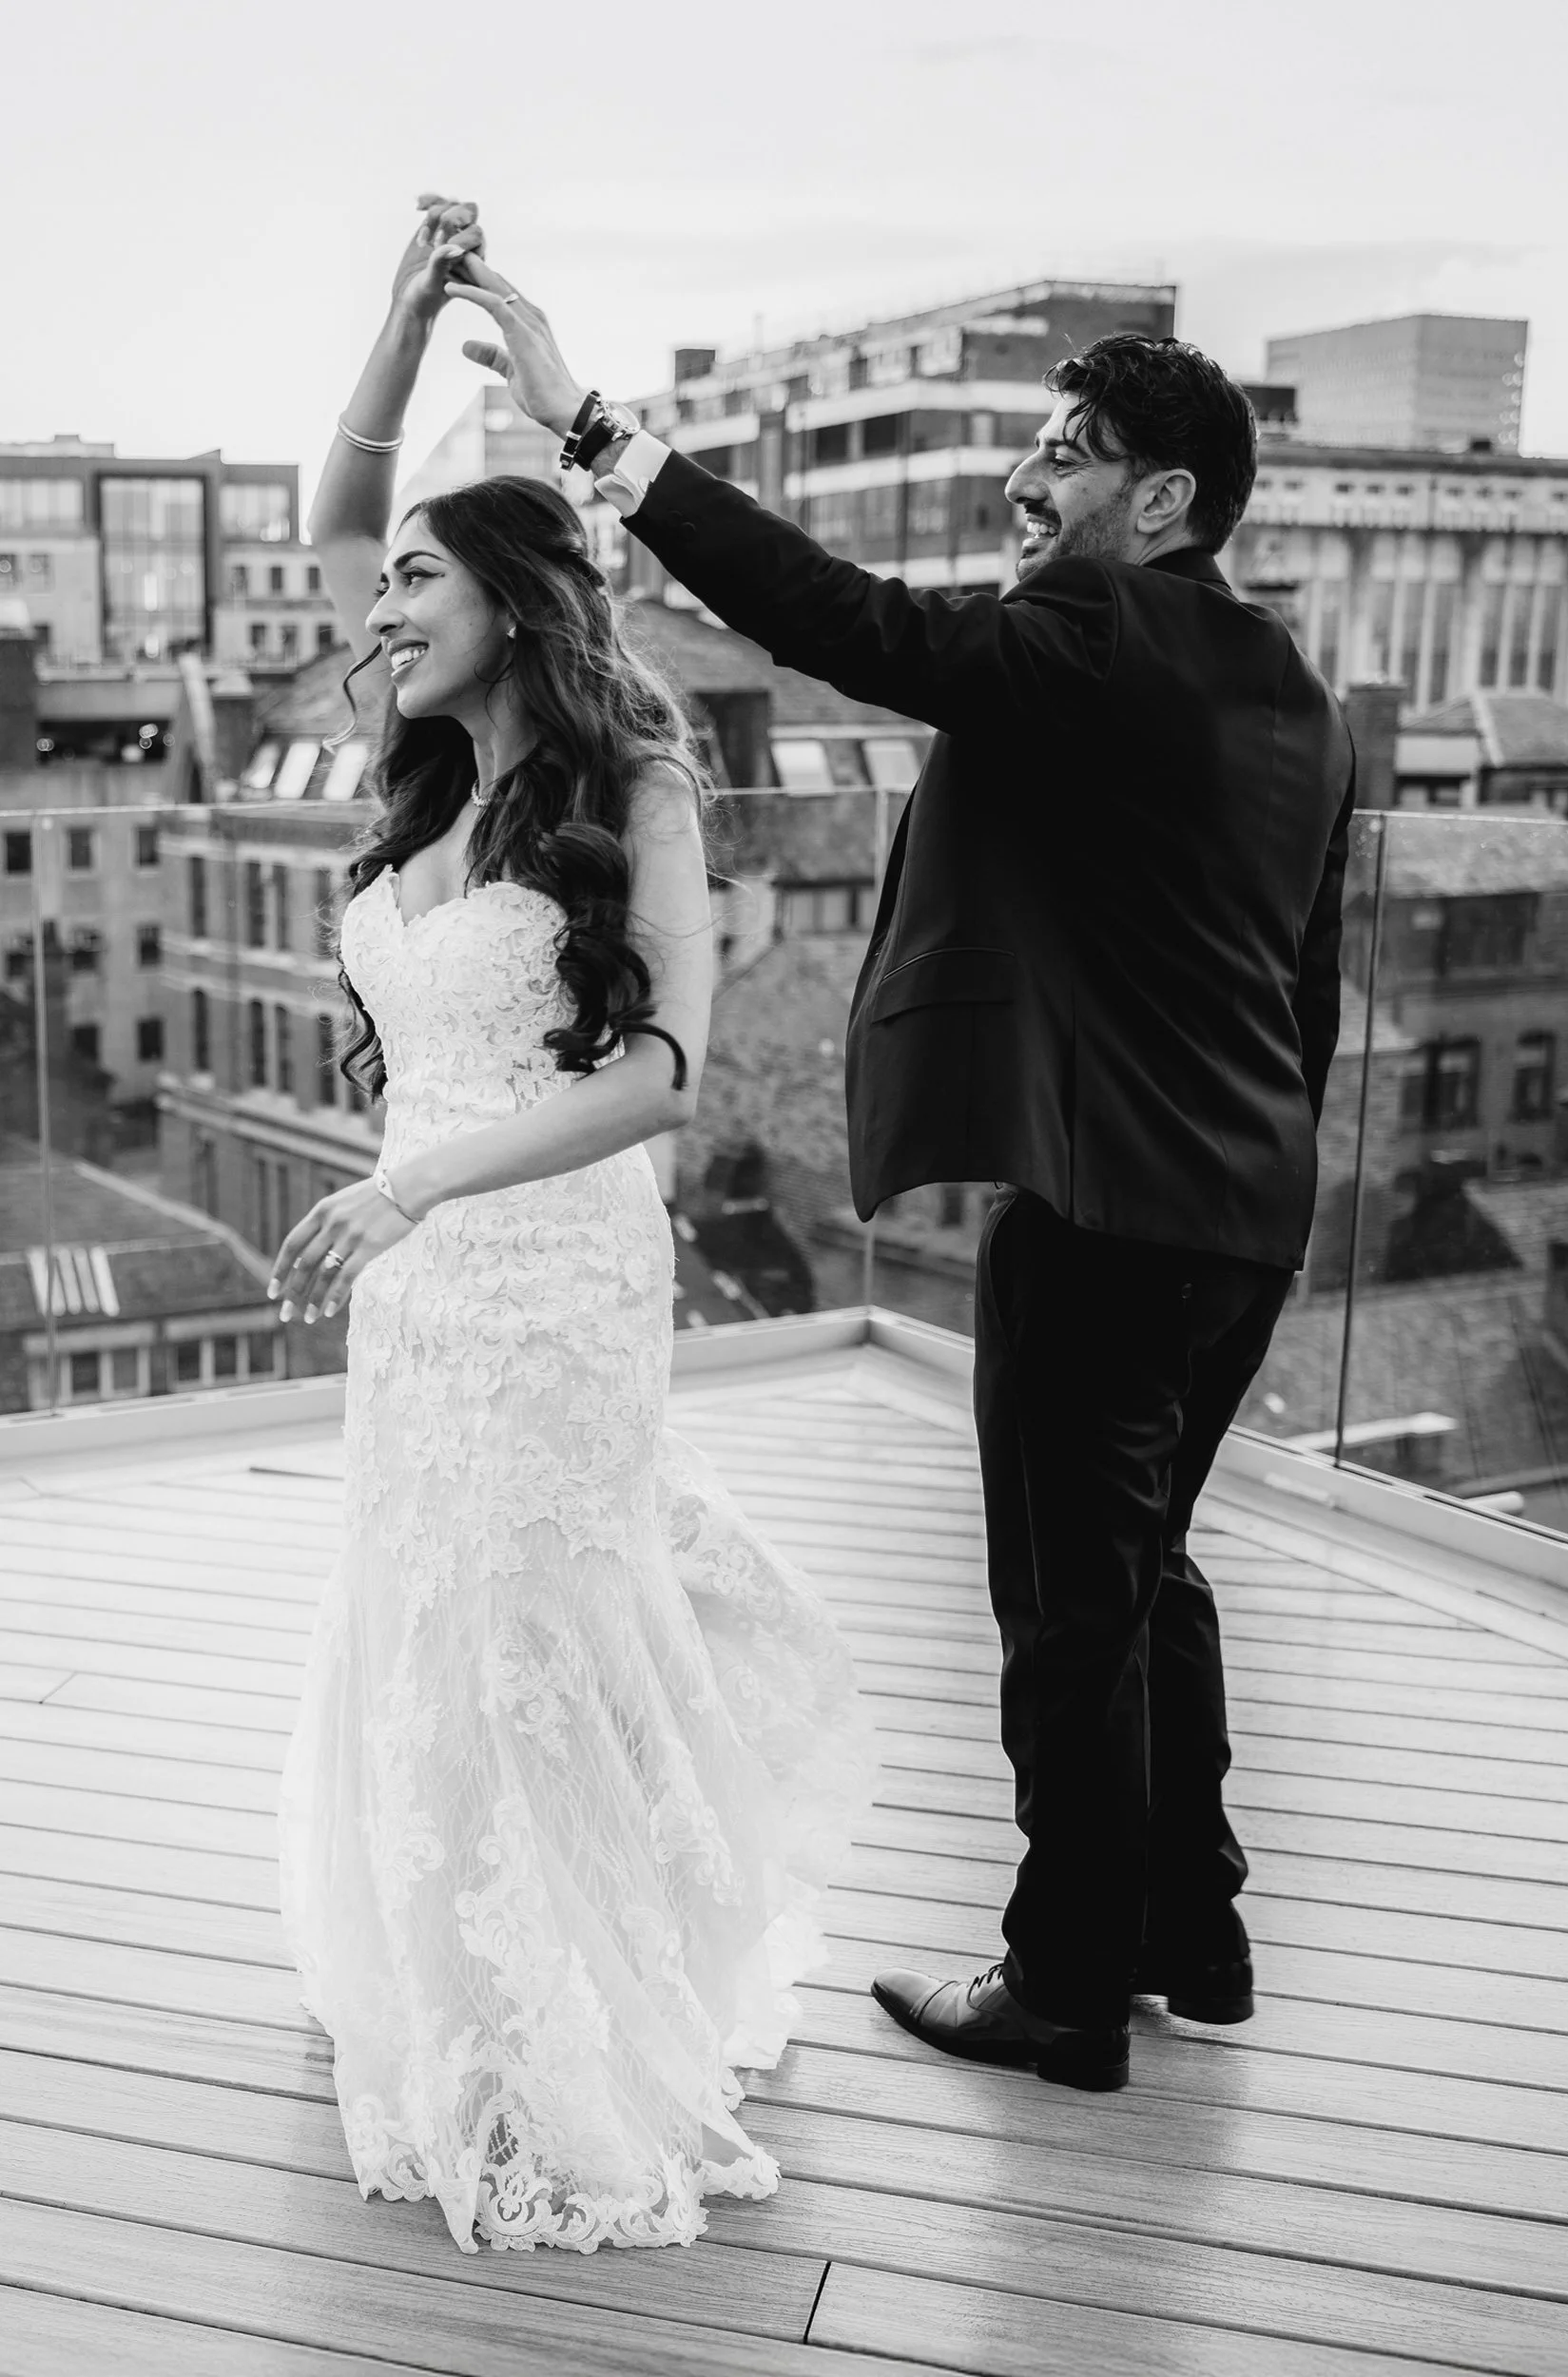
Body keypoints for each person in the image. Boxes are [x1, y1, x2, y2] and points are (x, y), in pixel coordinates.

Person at [444, 238, 1356, 2095]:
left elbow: (845, 625)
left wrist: (594, 433)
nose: (1031, 477)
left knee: (1067, 1610)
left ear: (1162, 498)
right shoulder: (1298, 696)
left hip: (1102, 1220)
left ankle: (1064, 1984)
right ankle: (1196, 1923)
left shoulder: (1093, 635)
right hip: (1247, 1216)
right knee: (1152, 1568)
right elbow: (1308, 992)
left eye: (1071, 448)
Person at [271, 197, 872, 2254]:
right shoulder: (411, 776)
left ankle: (575, 2006)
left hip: (536, 1257)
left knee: (534, 1612)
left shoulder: (633, 777)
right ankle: (451, 1975)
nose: (376, 604)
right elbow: (337, 494)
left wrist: (427, 1175)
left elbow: (664, 1071)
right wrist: (396, 313)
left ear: (515, 600)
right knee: (426, 1605)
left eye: (417, 579)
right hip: (404, 1269)